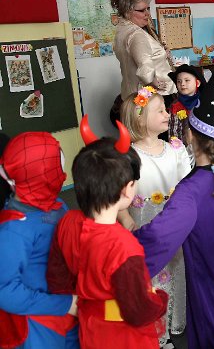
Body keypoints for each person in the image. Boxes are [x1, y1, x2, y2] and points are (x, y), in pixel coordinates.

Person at [133, 55, 214, 348]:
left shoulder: (190, 191)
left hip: (210, 277)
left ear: (190, 135)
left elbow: (158, 238)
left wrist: (121, 249)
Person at [48, 127, 168, 349]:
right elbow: (138, 311)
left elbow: (58, 278)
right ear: (127, 189)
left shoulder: (67, 222)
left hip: (91, 329)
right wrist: (160, 299)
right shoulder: (124, 246)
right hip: (124, 338)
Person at [118, 85, 191, 345]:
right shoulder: (128, 155)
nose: (167, 114)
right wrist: (126, 220)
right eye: (159, 111)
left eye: (166, 110)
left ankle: (175, 320)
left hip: (173, 223)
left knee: (176, 268)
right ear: (139, 119)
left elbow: (187, 186)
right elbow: (118, 195)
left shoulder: (175, 148)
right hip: (143, 225)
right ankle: (155, 330)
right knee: (151, 276)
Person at [0, 132, 78, 349]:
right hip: (40, 324)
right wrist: (64, 304)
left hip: (69, 309)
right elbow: (4, 291)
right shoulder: (13, 229)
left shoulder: (59, 205)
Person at [111, 0, 176, 106]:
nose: (147, 13)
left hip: (130, 95)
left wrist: (161, 54)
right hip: (153, 97)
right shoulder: (136, 34)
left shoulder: (122, 30)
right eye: (141, 10)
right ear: (127, 11)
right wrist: (155, 83)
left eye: (148, 8)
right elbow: (145, 67)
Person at [167, 65, 205, 159]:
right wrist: (179, 151)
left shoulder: (205, 101)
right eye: (179, 81)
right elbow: (173, 132)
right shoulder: (175, 106)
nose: (182, 84)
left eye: (187, 80)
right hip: (184, 151)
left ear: (197, 83)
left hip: (205, 147)